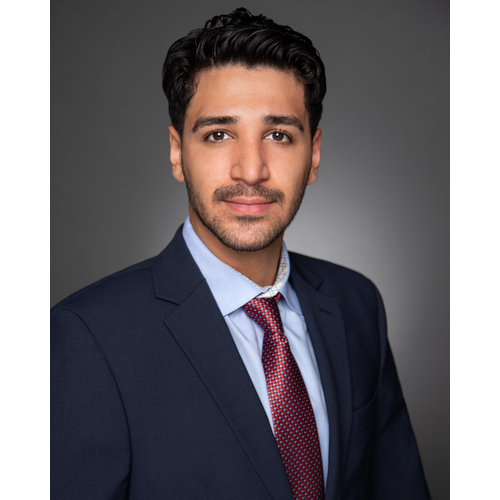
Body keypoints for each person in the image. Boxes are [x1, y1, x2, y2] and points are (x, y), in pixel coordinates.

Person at [51, 8, 430, 499]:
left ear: (313, 154)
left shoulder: (357, 304)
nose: (251, 170)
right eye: (218, 134)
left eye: (279, 135)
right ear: (177, 152)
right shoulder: (87, 337)